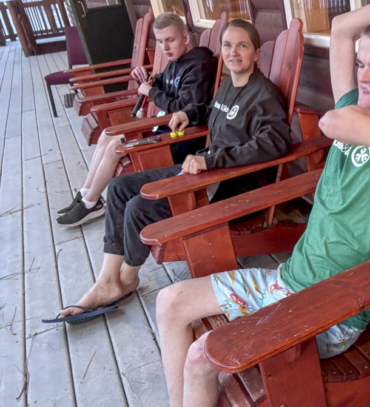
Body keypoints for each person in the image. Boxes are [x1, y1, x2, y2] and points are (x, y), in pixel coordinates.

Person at [153, 0, 370, 407]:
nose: (364, 76)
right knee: (169, 301)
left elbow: (332, 123)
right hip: (287, 281)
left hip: (328, 311)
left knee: (201, 356)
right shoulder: (362, 107)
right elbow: (341, 28)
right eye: (361, 65)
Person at [50, 20, 292, 324]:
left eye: (242, 45)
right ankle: (109, 279)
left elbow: (276, 143)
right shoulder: (229, 86)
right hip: (202, 169)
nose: (233, 52)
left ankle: (125, 278)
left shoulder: (264, 95)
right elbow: (209, 111)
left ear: (256, 53)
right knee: (120, 188)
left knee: (140, 207)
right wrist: (186, 113)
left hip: (229, 187)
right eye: (228, 45)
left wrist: (214, 161)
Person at [56, 12, 218, 228]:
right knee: (108, 134)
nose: (165, 47)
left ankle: (91, 202)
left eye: (170, 40)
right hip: (163, 130)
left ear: (186, 38)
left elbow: (188, 110)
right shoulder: (175, 62)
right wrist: (145, 77)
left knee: (116, 146)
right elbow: (160, 82)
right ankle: (86, 194)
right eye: (160, 42)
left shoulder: (199, 64)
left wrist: (151, 92)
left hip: (181, 138)